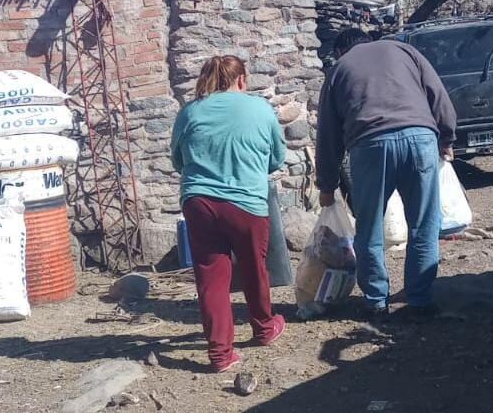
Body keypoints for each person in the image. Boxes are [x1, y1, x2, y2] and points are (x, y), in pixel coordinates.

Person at [315, 29, 458, 319]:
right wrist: (446, 138)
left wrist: (327, 184)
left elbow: (328, 134)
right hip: (420, 137)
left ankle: (377, 301)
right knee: (424, 224)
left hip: (370, 145)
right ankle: (419, 300)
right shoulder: (405, 51)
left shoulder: (339, 70)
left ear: (342, 51)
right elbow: (438, 94)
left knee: (369, 227)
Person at [170, 55, 287, 372]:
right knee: (254, 269)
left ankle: (221, 354)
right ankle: (264, 328)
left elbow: (178, 161)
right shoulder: (260, 109)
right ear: (241, 80)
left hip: (200, 203)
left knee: (211, 280)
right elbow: (277, 158)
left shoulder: (190, 112)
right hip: (246, 203)